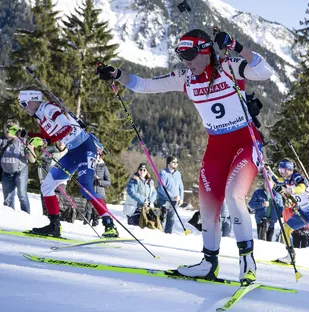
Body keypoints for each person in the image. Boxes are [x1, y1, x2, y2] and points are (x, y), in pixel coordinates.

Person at [98, 28, 274, 285]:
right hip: (216, 146)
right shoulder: (185, 77)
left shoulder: (228, 66)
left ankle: (247, 261)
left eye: (191, 55)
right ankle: (208, 263)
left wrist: (236, 45)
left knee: (234, 195)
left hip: (245, 143)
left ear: (206, 51)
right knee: (208, 203)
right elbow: (145, 85)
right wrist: (117, 74)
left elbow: (265, 72)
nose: (186, 62)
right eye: (182, 56)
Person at [11, 90, 118, 237]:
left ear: (33, 100)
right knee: (47, 185)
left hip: (86, 148)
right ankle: (54, 225)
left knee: (85, 187)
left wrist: (45, 142)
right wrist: (25, 134)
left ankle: (109, 225)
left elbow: (66, 128)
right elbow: (46, 135)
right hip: (73, 152)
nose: (23, 108)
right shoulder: (40, 117)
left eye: (24, 104)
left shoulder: (49, 109)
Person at [1, 118, 36, 213]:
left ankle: (26, 217)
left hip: (20, 172)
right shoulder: (1, 140)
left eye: (10, 128)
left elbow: (32, 160)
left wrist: (31, 149)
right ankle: (11, 220)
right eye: (6, 128)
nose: (8, 130)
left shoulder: (22, 141)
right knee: (8, 198)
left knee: (22, 195)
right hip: (6, 173)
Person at [157, 156, 184, 234]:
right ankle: (158, 236)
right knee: (161, 219)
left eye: (177, 162)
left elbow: (181, 187)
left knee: (171, 221)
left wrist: (181, 198)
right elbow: (161, 189)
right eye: (174, 162)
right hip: (164, 201)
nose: (176, 164)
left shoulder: (178, 173)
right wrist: (173, 196)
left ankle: (168, 235)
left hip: (174, 202)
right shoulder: (163, 173)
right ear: (168, 163)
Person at [84, 149, 111, 226]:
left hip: (100, 194)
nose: (96, 156)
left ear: (100, 156)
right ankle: (85, 229)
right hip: (89, 193)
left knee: (97, 215)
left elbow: (108, 182)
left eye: (98, 155)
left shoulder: (104, 167)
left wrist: (100, 182)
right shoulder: (88, 165)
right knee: (87, 213)